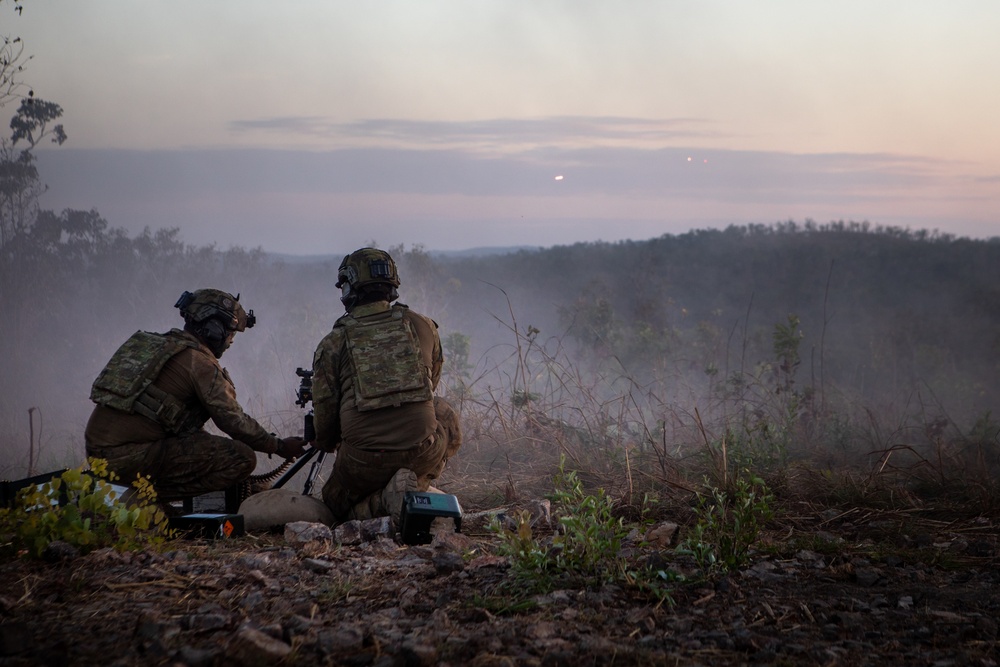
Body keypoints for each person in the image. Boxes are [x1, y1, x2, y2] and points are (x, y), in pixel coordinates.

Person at [85, 289, 305, 504]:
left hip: (99, 454)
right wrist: (279, 446)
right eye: (230, 332)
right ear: (213, 328)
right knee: (242, 458)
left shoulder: (161, 347)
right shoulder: (200, 363)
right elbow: (234, 421)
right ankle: (143, 500)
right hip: (127, 458)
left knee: (203, 442)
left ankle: (124, 494)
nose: (230, 341)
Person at [311, 248, 462, 524]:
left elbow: (326, 420)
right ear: (393, 284)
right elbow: (432, 383)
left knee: (334, 504)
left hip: (362, 464)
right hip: (422, 451)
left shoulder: (333, 342)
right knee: (444, 411)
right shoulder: (423, 326)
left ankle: (382, 502)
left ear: (350, 287)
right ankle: (417, 484)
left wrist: (328, 440)